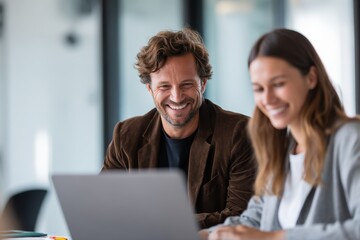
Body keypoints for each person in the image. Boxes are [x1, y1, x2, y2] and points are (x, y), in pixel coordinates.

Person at [201, 28, 360, 240]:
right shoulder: (280, 147)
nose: (267, 99)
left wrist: (273, 238)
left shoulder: (350, 139)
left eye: (278, 84)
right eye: (258, 89)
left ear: (311, 78)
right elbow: (254, 220)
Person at [101, 28, 256, 229]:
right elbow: (104, 209)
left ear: (203, 84)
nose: (176, 97)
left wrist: (163, 225)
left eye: (186, 85)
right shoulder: (126, 135)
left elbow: (241, 219)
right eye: (164, 87)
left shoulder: (239, 133)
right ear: (150, 89)